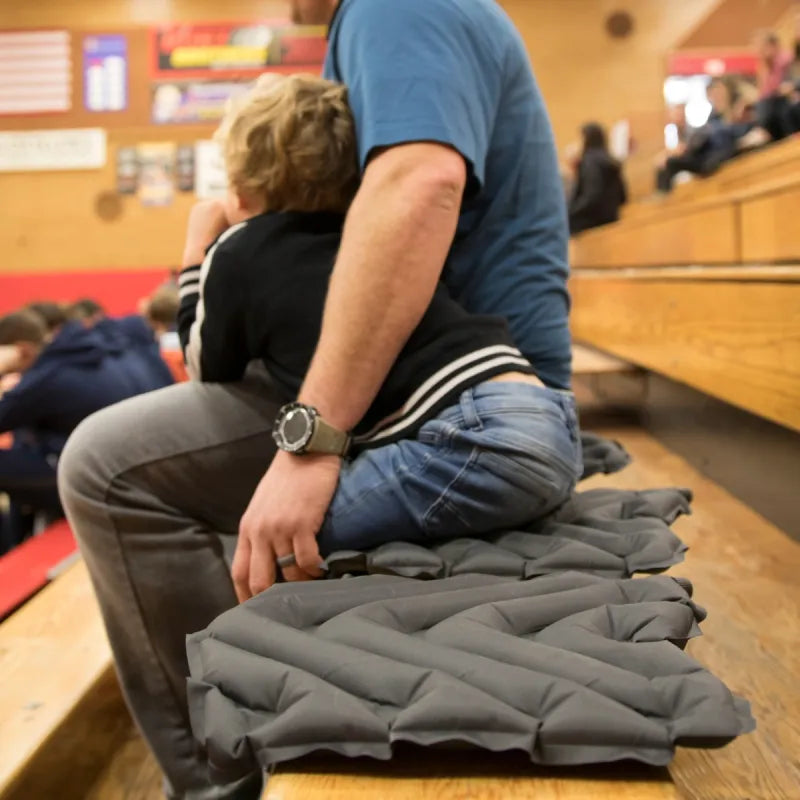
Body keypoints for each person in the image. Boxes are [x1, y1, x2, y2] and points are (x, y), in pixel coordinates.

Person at [58, 1, 573, 797]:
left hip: (451, 421)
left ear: (248, 182)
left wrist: (313, 440)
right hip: (517, 397)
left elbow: (417, 181)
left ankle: (226, 770)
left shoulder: (393, 6)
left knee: (113, 470)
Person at [179, 75, 579, 557]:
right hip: (547, 418)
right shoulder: (374, 233)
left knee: (276, 543)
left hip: (475, 441)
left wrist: (197, 249)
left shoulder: (238, 251)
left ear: (240, 189)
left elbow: (204, 365)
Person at [0, 310, 171, 551]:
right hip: (135, 473)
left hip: (98, 482)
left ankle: (10, 553)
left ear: (22, 349)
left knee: (22, 448)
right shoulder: (96, 354)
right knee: (25, 443)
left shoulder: (48, 376)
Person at [656, 78, 752, 193]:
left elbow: (738, 133)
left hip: (720, 154)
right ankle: (663, 199)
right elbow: (702, 138)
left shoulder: (736, 111)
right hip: (705, 155)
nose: (716, 96)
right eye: (713, 94)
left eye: (719, 92)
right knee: (669, 163)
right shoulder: (713, 117)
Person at [568, 122, 627, 234]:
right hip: (612, 217)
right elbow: (623, 196)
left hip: (592, 222)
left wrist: (570, 212)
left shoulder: (589, 161)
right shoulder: (609, 159)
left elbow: (591, 196)